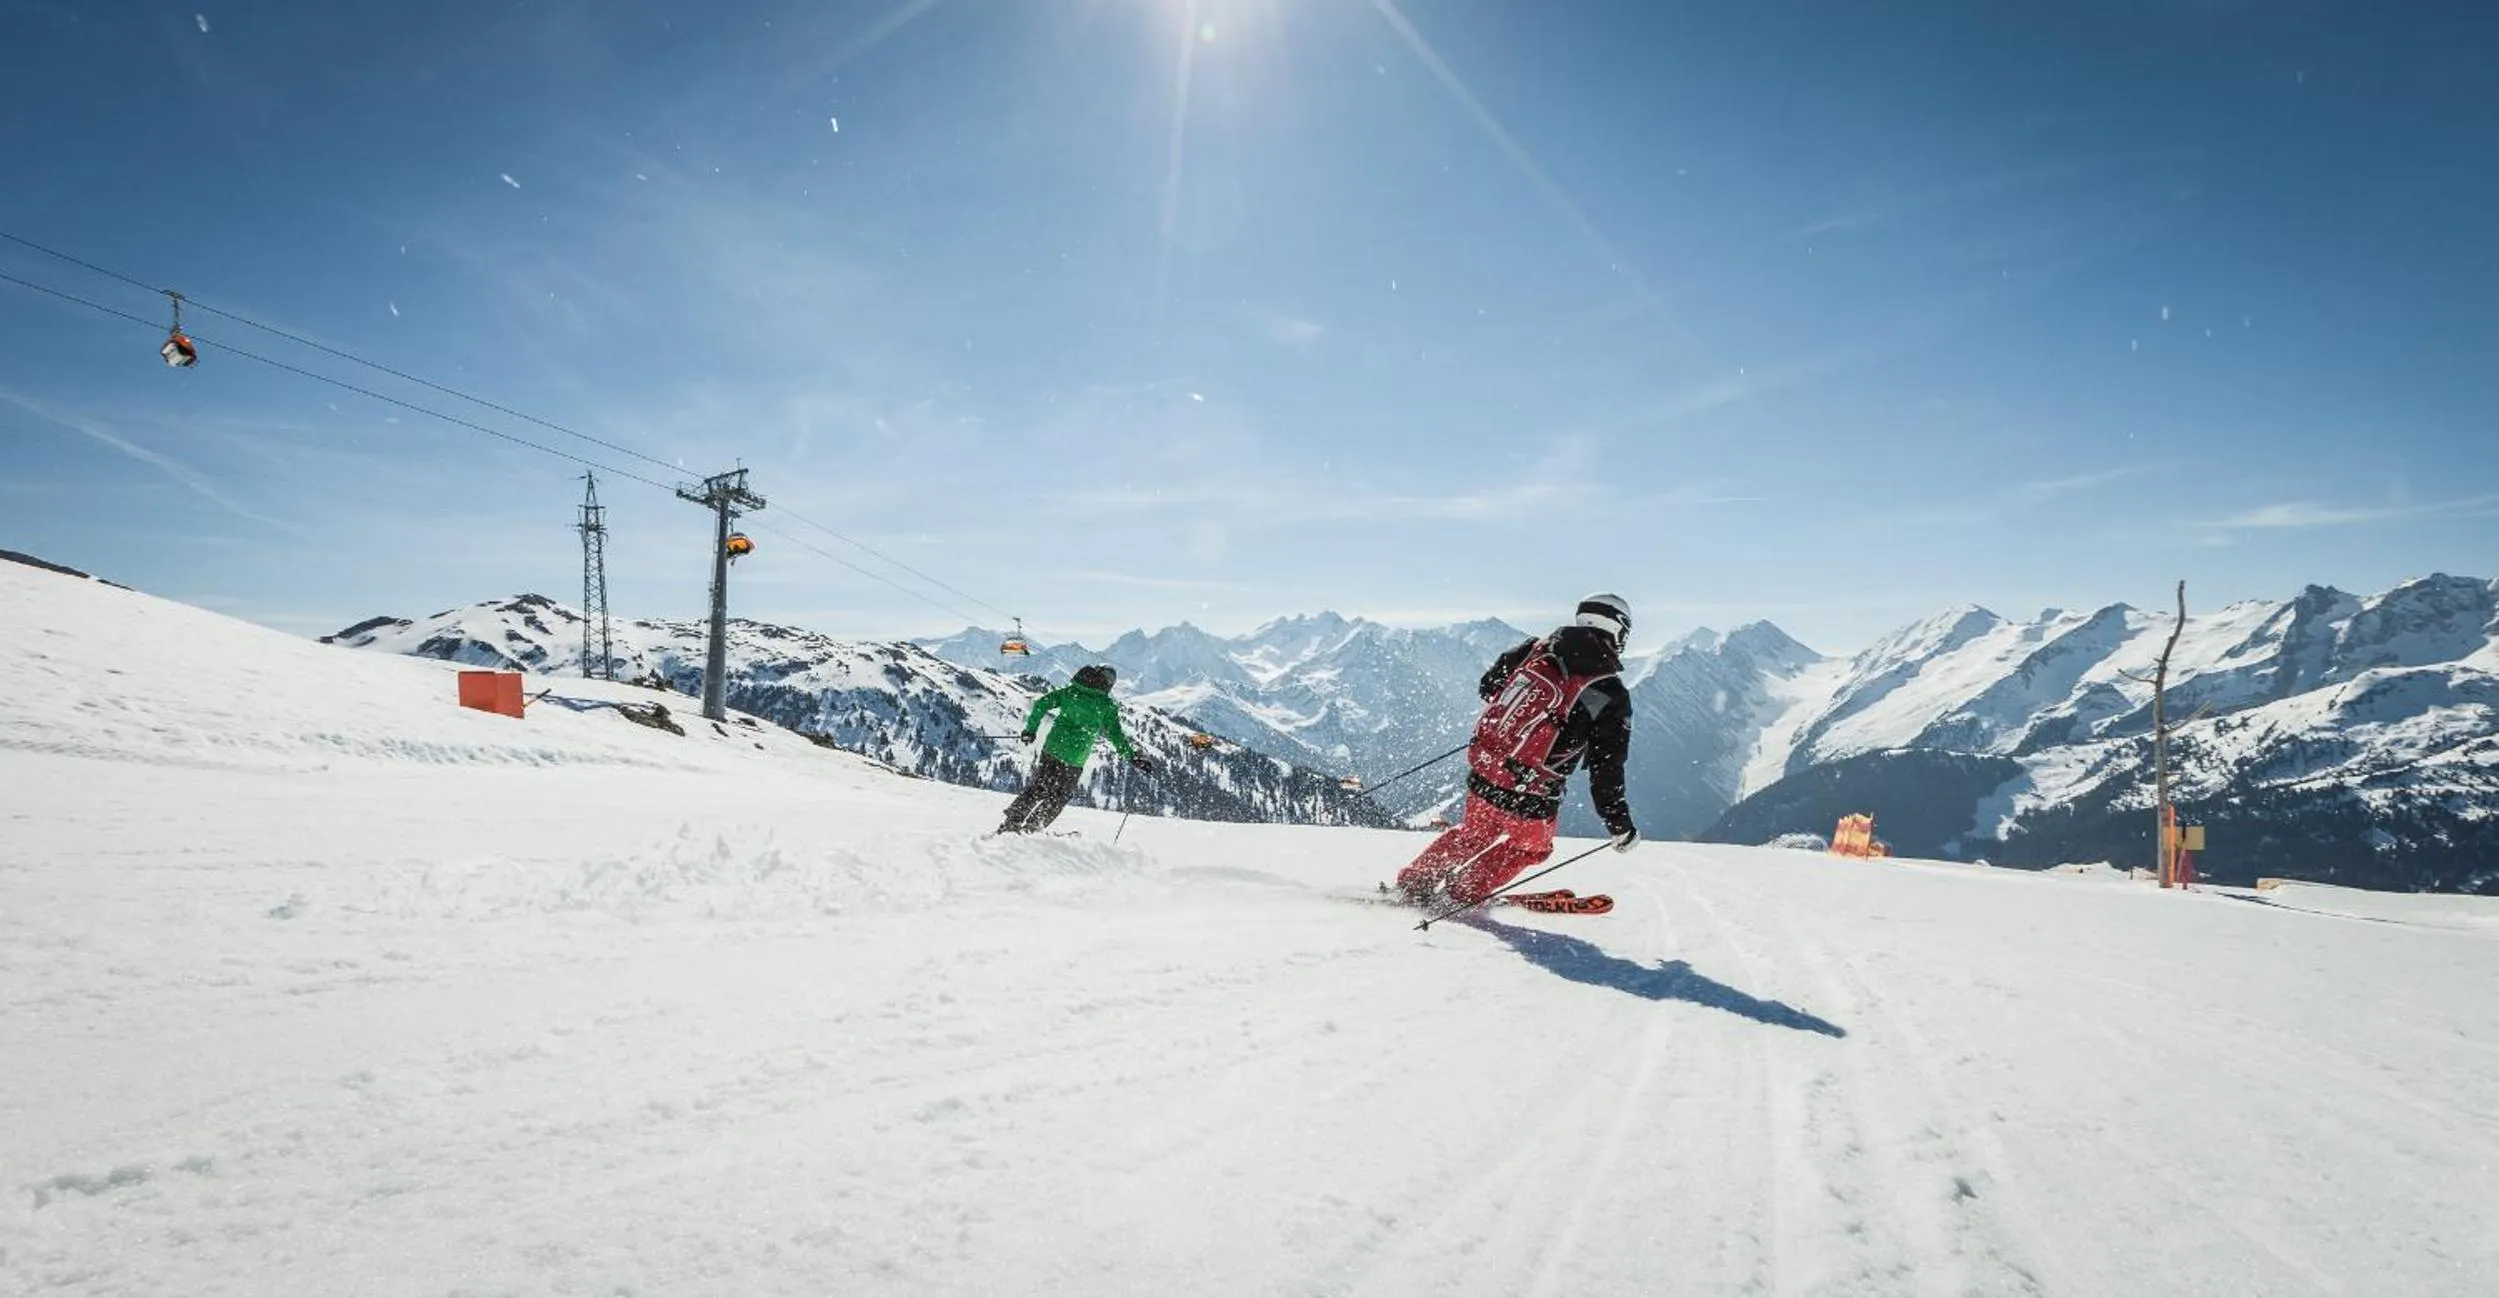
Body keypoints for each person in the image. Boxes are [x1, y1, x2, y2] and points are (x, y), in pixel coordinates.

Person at [1396, 593, 1640, 906]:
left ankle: (1416, 880)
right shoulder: (1608, 690)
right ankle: (1463, 893)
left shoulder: (1536, 648)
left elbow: (1488, 686)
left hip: (1486, 770)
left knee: (1473, 834)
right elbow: (1606, 766)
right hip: (1532, 793)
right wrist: (1619, 825)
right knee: (1532, 848)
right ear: (1616, 628)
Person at [997, 664, 1155, 834]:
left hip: (1052, 750)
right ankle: (1033, 829)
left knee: (1038, 787)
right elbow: (1116, 736)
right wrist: (1132, 757)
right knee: (1058, 796)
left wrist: (1030, 730)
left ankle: (1011, 823)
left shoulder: (1070, 692)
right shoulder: (1106, 705)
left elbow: (1041, 704)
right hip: (1074, 759)